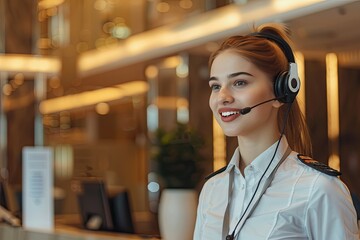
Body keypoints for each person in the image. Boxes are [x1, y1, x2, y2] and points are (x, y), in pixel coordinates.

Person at [193, 23, 359, 240]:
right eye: (216, 86)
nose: (222, 97)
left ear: (282, 92)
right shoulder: (212, 189)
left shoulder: (320, 189)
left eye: (240, 82)